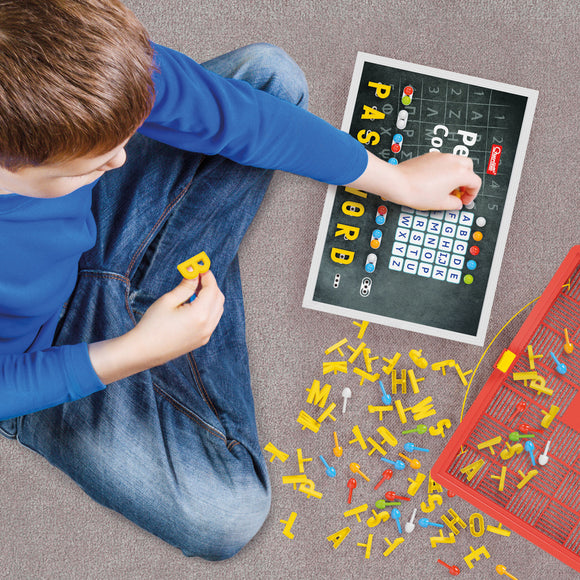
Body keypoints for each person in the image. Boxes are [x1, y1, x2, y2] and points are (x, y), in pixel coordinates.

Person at [0, 0, 481, 560]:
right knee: (226, 512)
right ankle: (164, 290)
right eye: (95, 163)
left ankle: (160, 275)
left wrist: (393, 180)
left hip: (88, 234)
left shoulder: (61, 52)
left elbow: (242, 117)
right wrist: (134, 352)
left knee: (268, 78)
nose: (122, 162)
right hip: (42, 361)